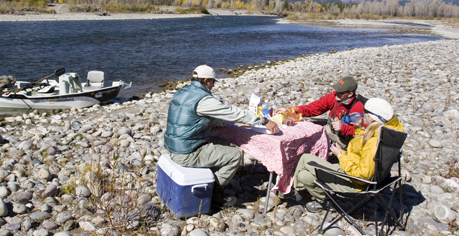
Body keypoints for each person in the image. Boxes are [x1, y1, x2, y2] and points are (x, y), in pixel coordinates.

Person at [164, 65, 279, 204]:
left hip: (175, 145)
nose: (213, 85)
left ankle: (211, 176)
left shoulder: (182, 91)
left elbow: (193, 117)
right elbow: (231, 112)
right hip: (186, 152)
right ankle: (213, 194)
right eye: (213, 82)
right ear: (206, 81)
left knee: (223, 142)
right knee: (235, 155)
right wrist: (262, 120)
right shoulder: (203, 100)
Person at [292, 98, 404, 212]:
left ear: (371, 117)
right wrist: (360, 128)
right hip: (365, 175)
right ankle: (322, 200)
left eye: (365, 113)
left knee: (305, 158)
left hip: (355, 183)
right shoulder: (385, 133)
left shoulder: (374, 143)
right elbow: (363, 147)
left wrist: (340, 155)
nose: (362, 115)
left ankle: (294, 191)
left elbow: (362, 175)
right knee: (304, 175)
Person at [276, 76, 366, 149]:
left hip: (344, 139)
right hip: (330, 129)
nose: (336, 93)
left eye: (340, 92)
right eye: (337, 90)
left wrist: (343, 128)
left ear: (350, 94)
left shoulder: (357, 107)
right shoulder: (333, 97)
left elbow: (361, 132)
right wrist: (291, 111)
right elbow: (312, 108)